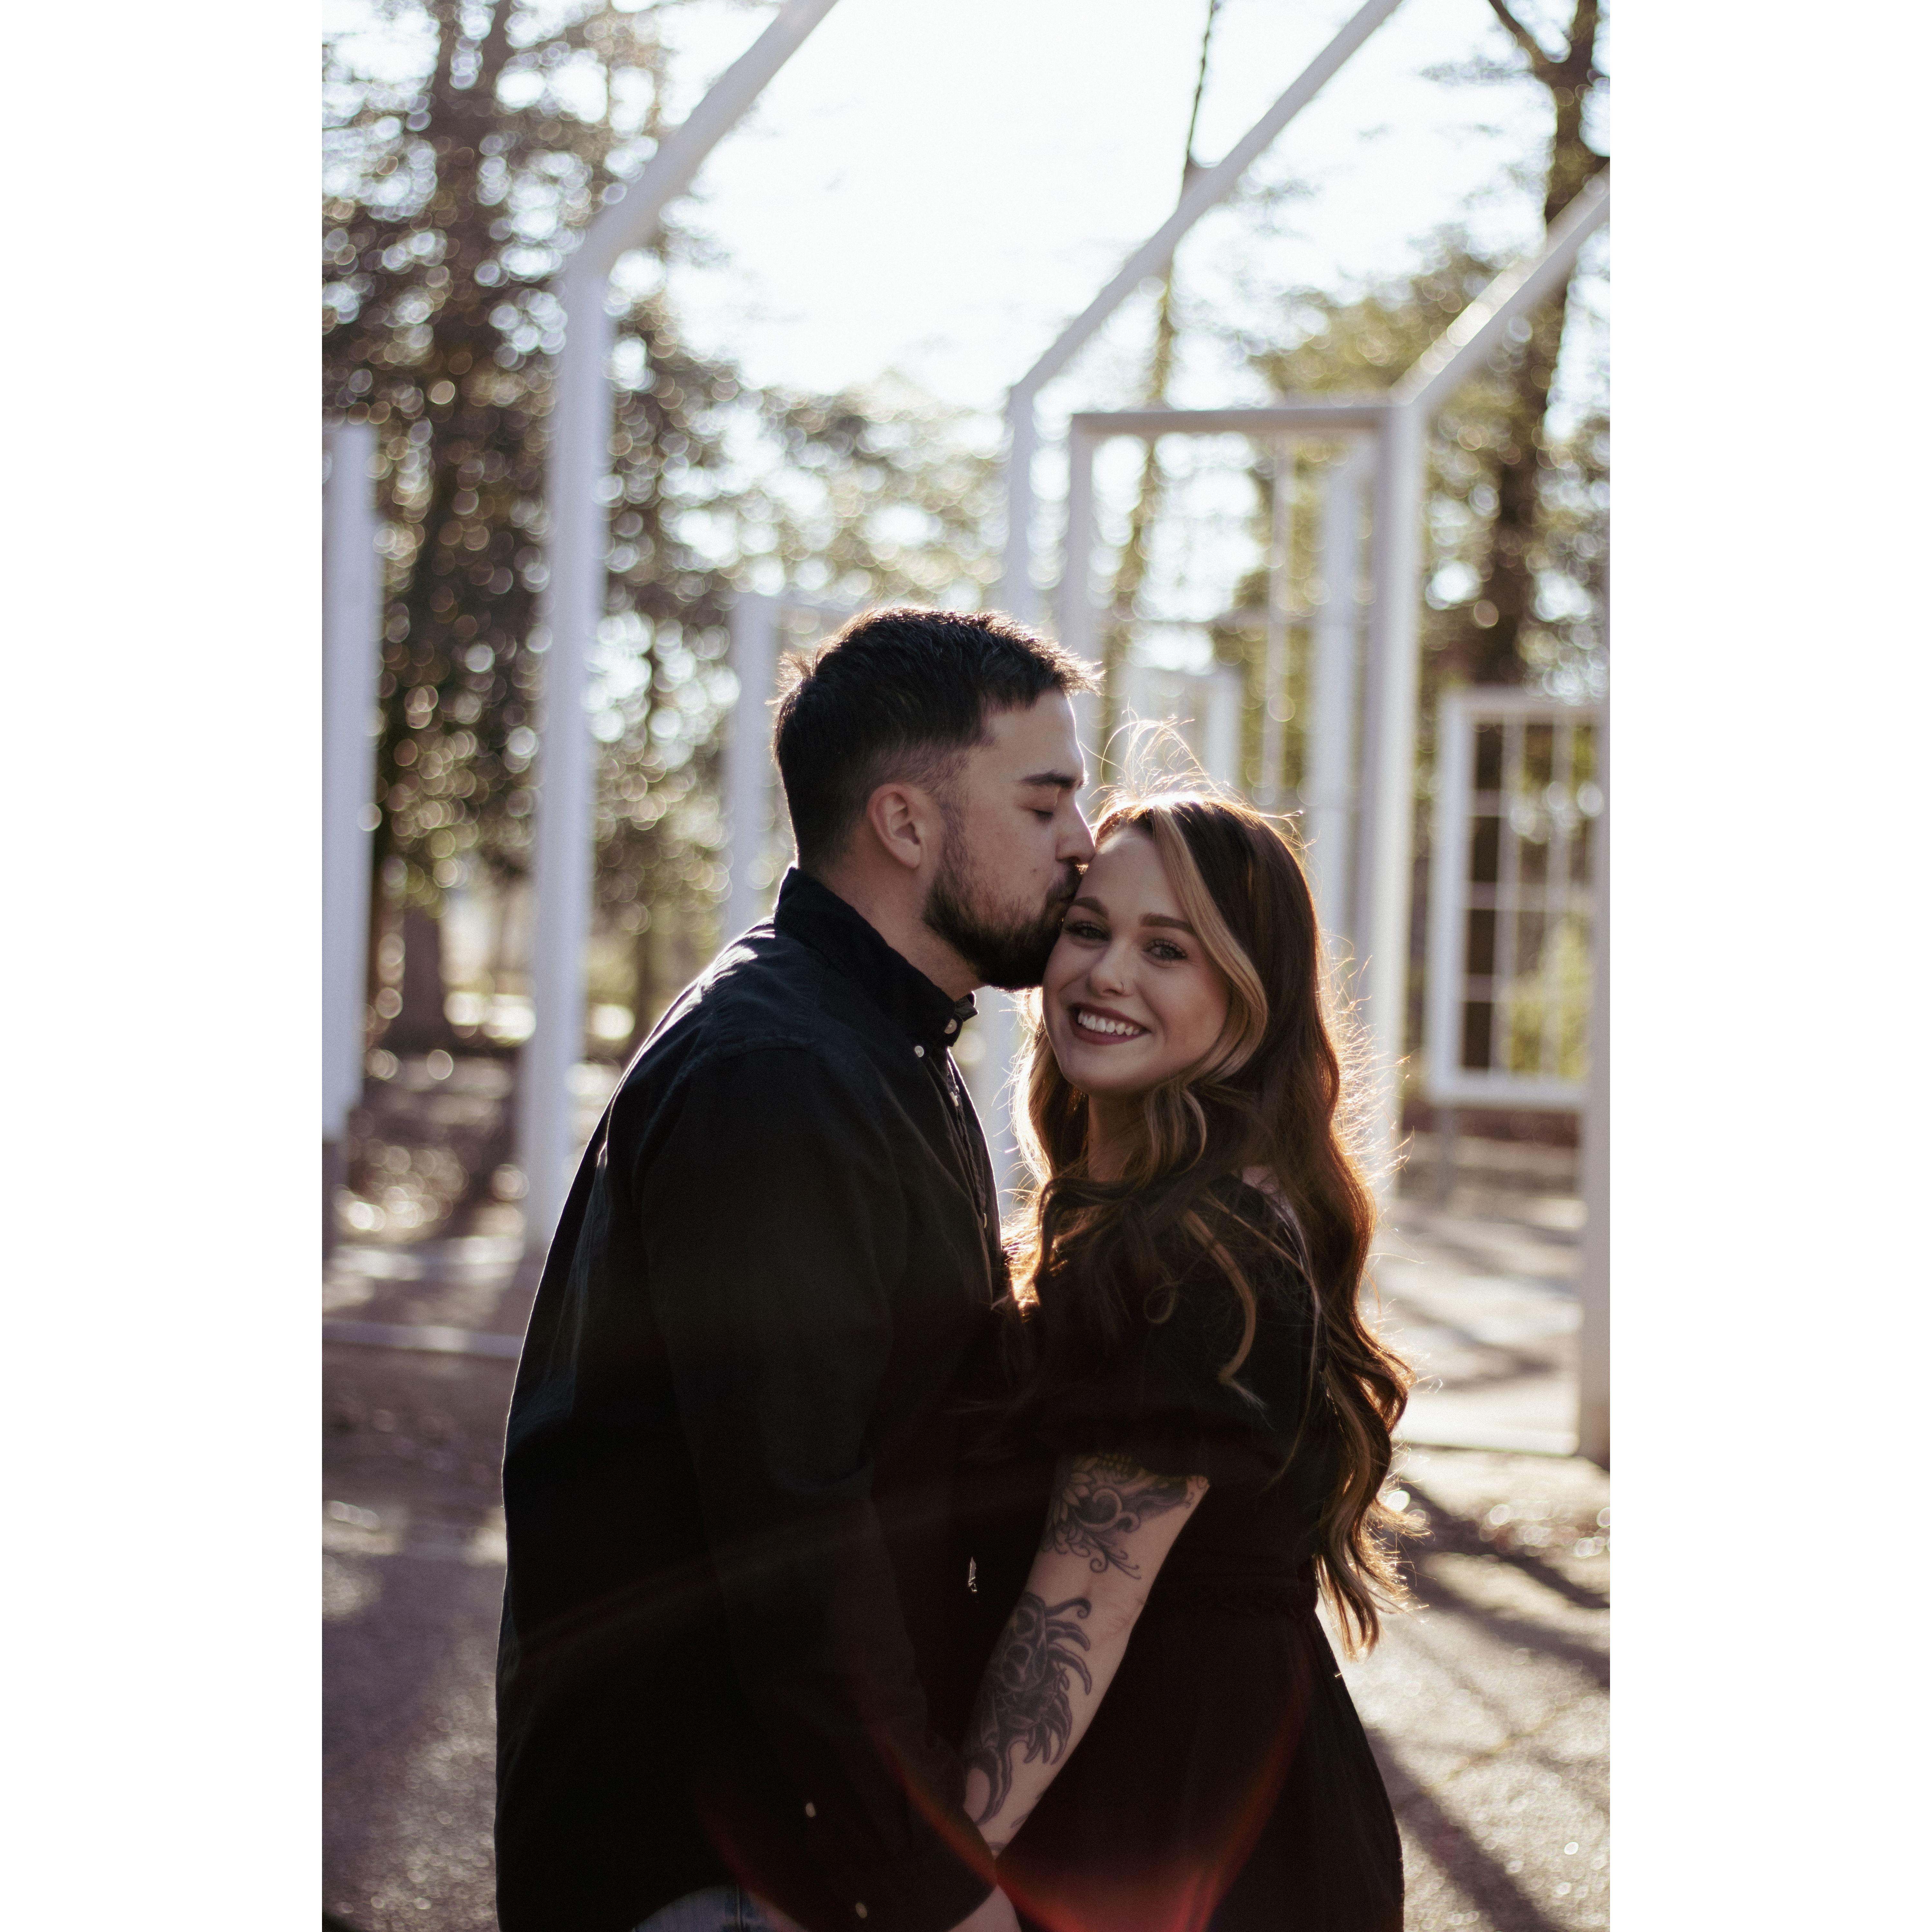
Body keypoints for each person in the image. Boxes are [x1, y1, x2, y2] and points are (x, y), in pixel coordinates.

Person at [494, 607, 1096, 1932]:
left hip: (777, 1843)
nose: (1082, 842)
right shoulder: (784, 1074)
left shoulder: (880, 1047)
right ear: (906, 822)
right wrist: (932, 1880)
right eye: (1046, 800)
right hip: (715, 1865)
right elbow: (799, 1537)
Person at [952, 790, 1414, 1932]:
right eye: (1089, 929)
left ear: (1250, 1000)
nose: (1107, 973)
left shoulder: (1200, 1257)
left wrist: (946, 1876)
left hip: (1184, 1838)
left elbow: (1086, 1599)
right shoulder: (1151, 1219)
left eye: (1168, 949)